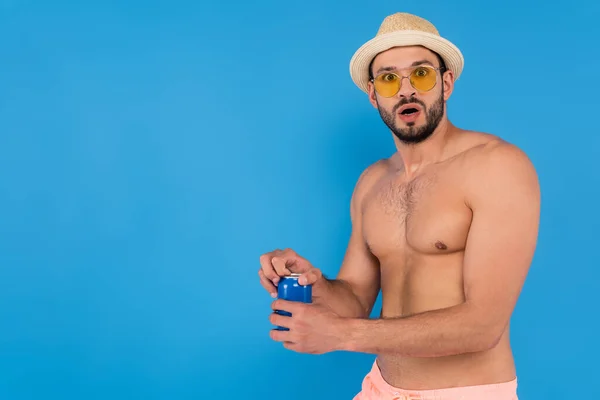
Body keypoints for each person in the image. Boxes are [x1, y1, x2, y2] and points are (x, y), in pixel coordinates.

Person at [258, 12, 540, 400]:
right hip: (379, 389)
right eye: (389, 79)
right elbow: (355, 299)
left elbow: (483, 325)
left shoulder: (497, 167)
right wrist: (316, 283)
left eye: (421, 75)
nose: (406, 91)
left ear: (446, 83)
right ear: (374, 95)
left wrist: (341, 335)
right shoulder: (372, 182)